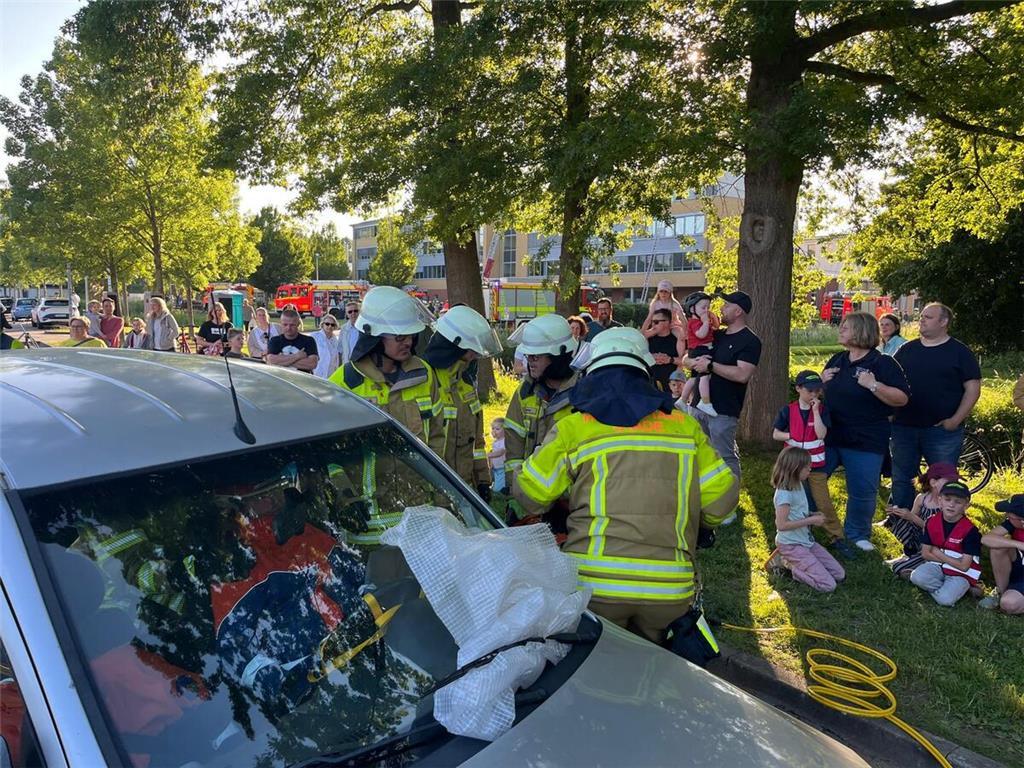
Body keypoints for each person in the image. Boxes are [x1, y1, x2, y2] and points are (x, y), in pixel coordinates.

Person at [514, 327, 738, 645]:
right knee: (653, 666)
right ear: (645, 375)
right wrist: (699, 522)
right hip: (668, 589)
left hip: (594, 586)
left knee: (598, 665)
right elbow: (721, 504)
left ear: (591, 375)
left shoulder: (574, 427)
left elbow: (532, 494)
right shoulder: (684, 427)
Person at [327, 286, 445, 545]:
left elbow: (437, 438)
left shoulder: (424, 375)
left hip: (420, 516)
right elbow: (326, 454)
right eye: (399, 336)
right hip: (368, 527)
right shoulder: (345, 383)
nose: (408, 342)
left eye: (410, 335)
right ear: (375, 336)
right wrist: (344, 497)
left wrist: (442, 493)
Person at [820, 312, 910, 551]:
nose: (840, 330)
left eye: (846, 327)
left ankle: (857, 534)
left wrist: (873, 385)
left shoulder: (882, 363)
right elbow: (820, 394)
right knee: (813, 480)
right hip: (830, 435)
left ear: (861, 331)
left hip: (866, 438)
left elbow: (902, 398)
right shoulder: (838, 359)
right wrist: (821, 382)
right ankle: (806, 525)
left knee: (862, 490)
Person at [890, 303, 982, 511]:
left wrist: (955, 420)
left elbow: (973, 390)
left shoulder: (960, 352)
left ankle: (941, 521)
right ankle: (900, 518)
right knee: (902, 477)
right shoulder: (907, 350)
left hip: (942, 431)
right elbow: (890, 381)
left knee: (944, 481)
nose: (921, 319)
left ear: (944, 322)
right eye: (921, 316)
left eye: (928, 317)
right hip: (904, 427)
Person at [682, 290, 761, 497]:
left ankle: (730, 499)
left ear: (738, 311)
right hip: (697, 406)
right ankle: (705, 497)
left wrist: (710, 366)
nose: (721, 309)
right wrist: (691, 362)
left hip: (724, 410)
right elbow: (686, 358)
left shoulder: (750, 341)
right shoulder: (715, 335)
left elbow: (742, 374)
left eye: (726, 305)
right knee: (700, 454)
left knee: (725, 455)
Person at [423, 305, 502, 494]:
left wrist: (482, 480)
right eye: (471, 349)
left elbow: (477, 442)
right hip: (435, 491)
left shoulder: (465, 384)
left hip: (465, 490)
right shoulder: (425, 381)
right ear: (454, 346)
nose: (475, 355)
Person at [772, 370, 848, 555]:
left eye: (817, 391)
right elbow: (775, 434)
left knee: (823, 502)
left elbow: (821, 434)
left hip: (816, 465)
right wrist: (790, 435)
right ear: (798, 389)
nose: (814, 395)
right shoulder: (788, 410)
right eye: (809, 391)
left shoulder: (822, 410)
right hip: (792, 466)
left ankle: (836, 537)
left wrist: (815, 412)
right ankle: (798, 533)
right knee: (795, 501)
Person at [503, 314, 580, 485]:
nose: (529, 361)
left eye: (535, 356)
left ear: (558, 356)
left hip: (569, 496)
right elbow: (513, 444)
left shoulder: (582, 394)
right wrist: (514, 488)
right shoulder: (525, 392)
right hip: (529, 492)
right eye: (528, 355)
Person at [771, 447, 845, 593]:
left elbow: (796, 512)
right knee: (828, 585)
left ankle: (799, 564)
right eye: (807, 467)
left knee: (839, 575)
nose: (810, 469)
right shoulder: (784, 494)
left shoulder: (798, 484)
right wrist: (811, 521)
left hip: (806, 541)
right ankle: (788, 565)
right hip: (791, 544)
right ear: (795, 469)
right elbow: (781, 525)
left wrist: (811, 514)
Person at [909, 480, 982, 607]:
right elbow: (925, 554)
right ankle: (959, 590)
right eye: (947, 500)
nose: (951, 505)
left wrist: (938, 553)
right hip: (937, 566)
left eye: (958, 502)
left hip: (961, 574)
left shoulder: (971, 531)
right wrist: (952, 561)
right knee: (916, 577)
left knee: (945, 600)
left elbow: (964, 566)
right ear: (940, 501)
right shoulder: (931, 522)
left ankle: (954, 589)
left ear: (966, 506)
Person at [882, 462, 959, 579]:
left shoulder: (950, 505)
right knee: (898, 518)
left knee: (897, 568)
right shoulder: (922, 498)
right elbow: (911, 521)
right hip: (921, 540)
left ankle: (918, 567)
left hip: (937, 547)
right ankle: (910, 556)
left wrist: (911, 517)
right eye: (949, 481)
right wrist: (898, 512)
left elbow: (941, 533)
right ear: (933, 482)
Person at [979, 494, 1024, 614]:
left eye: (1010, 515)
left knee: (1009, 604)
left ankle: (1012, 598)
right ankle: (1001, 592)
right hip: (1019, 569)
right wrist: (1019, 544)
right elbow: (986, 539)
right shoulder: (1012, 524)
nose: (1006, 516)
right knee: (998, 547)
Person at [680, 291, 720, 416]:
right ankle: (705, 401)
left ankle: (682, 399)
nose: (706, 311)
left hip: (697, 350)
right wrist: (706, 322)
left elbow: (715, 328)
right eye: (703, 308)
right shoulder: (695, 323)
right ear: (692, 309)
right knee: (704, 376)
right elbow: (701, 334)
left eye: (708, 307)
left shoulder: (702, 322)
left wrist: (711, 320)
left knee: (693, 378)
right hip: (700, 350)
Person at [642, 307, 685, 392]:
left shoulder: (677, 338)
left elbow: (685, 361)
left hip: (671, 385)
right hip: (651, 384)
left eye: (656, 322)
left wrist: (670, 359)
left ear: (667, 322)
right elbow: (640, 358)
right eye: (652, 322)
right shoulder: (648, 338)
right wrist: (651, 357)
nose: (653, 325)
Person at [310, 313, 341, 379]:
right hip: (317, 374)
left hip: (331, 375)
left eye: (332, 325)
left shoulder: (336, 340)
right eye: (327, 324)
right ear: (322, 324)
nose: (330, 326)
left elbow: (336, 360)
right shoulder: (314, 336)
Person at [339, 300, 362, 365]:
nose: (353, 313)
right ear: (347, 314)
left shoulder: (365, 328)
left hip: (362, 365)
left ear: (360, 312)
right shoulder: (343, 329)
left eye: (355, 311)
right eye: (350, 312)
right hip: (347, 364)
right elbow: (340, 350)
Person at [488, 418, 506, 494]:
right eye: (493, 428)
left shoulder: (504, 441)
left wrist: (489, 455)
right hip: (495, 468)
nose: (494, 431)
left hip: (502, 468)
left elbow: (501, 452)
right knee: (494, 480)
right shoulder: (495, 442)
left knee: (497, 489)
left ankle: (499, 490)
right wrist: (491, 463)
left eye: (497, 429)